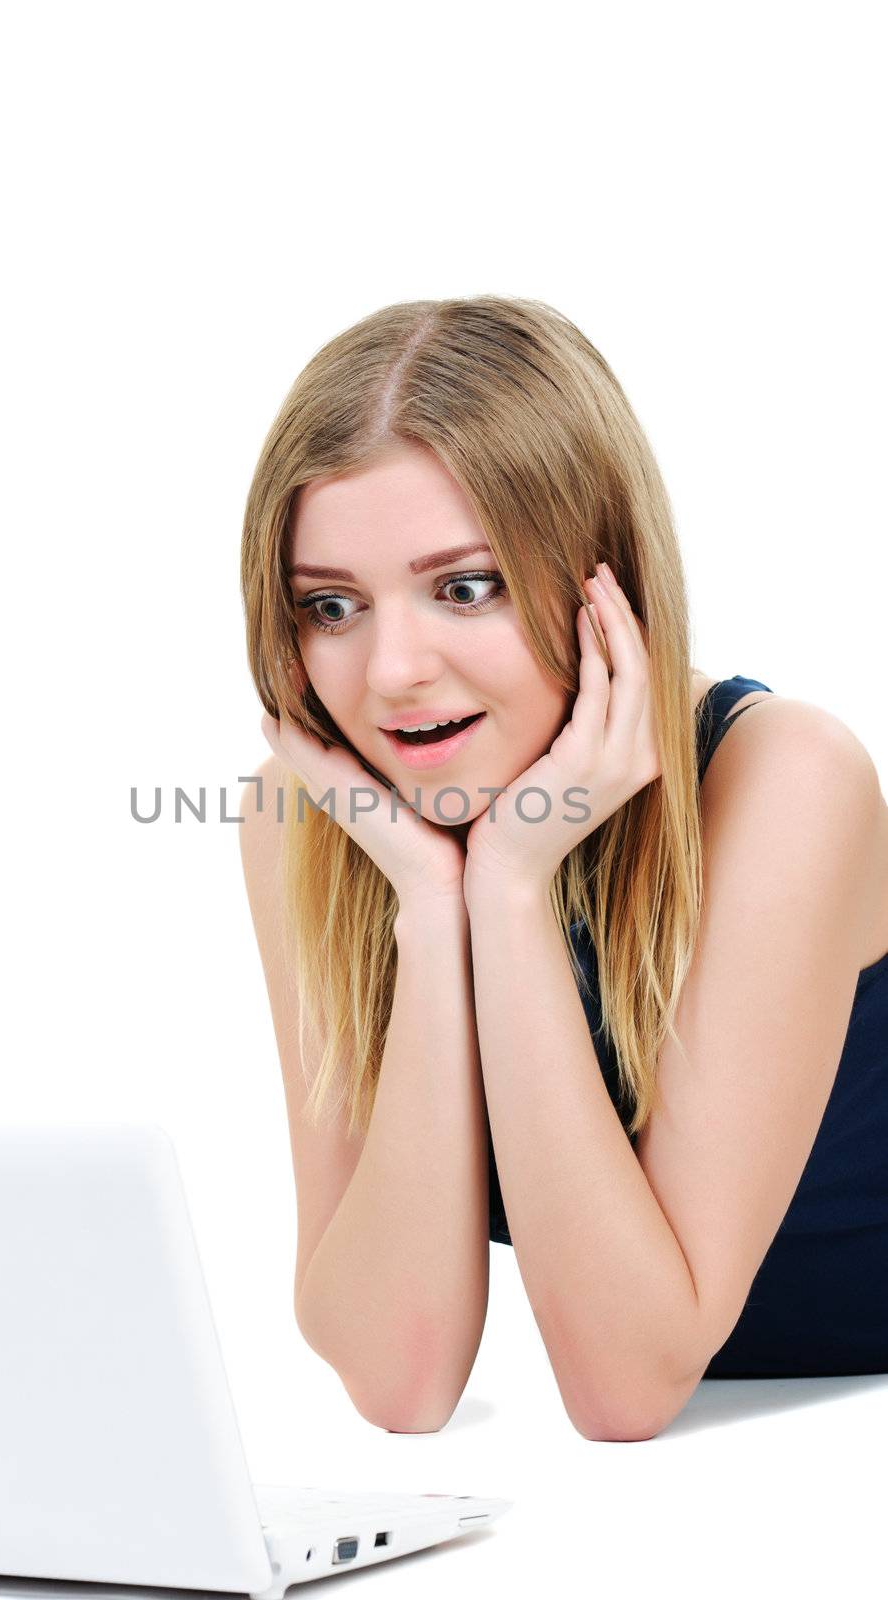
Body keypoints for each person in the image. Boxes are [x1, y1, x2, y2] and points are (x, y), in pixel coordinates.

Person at [237, 295, 888, 1443]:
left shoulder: (785, 778)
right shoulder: (310, 820)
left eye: (463, 586)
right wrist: (434, 911)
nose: (391, 669)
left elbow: (627, 1385)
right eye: (329, 605)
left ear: (604, 579)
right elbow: (401, 1379)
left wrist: (510, 888)